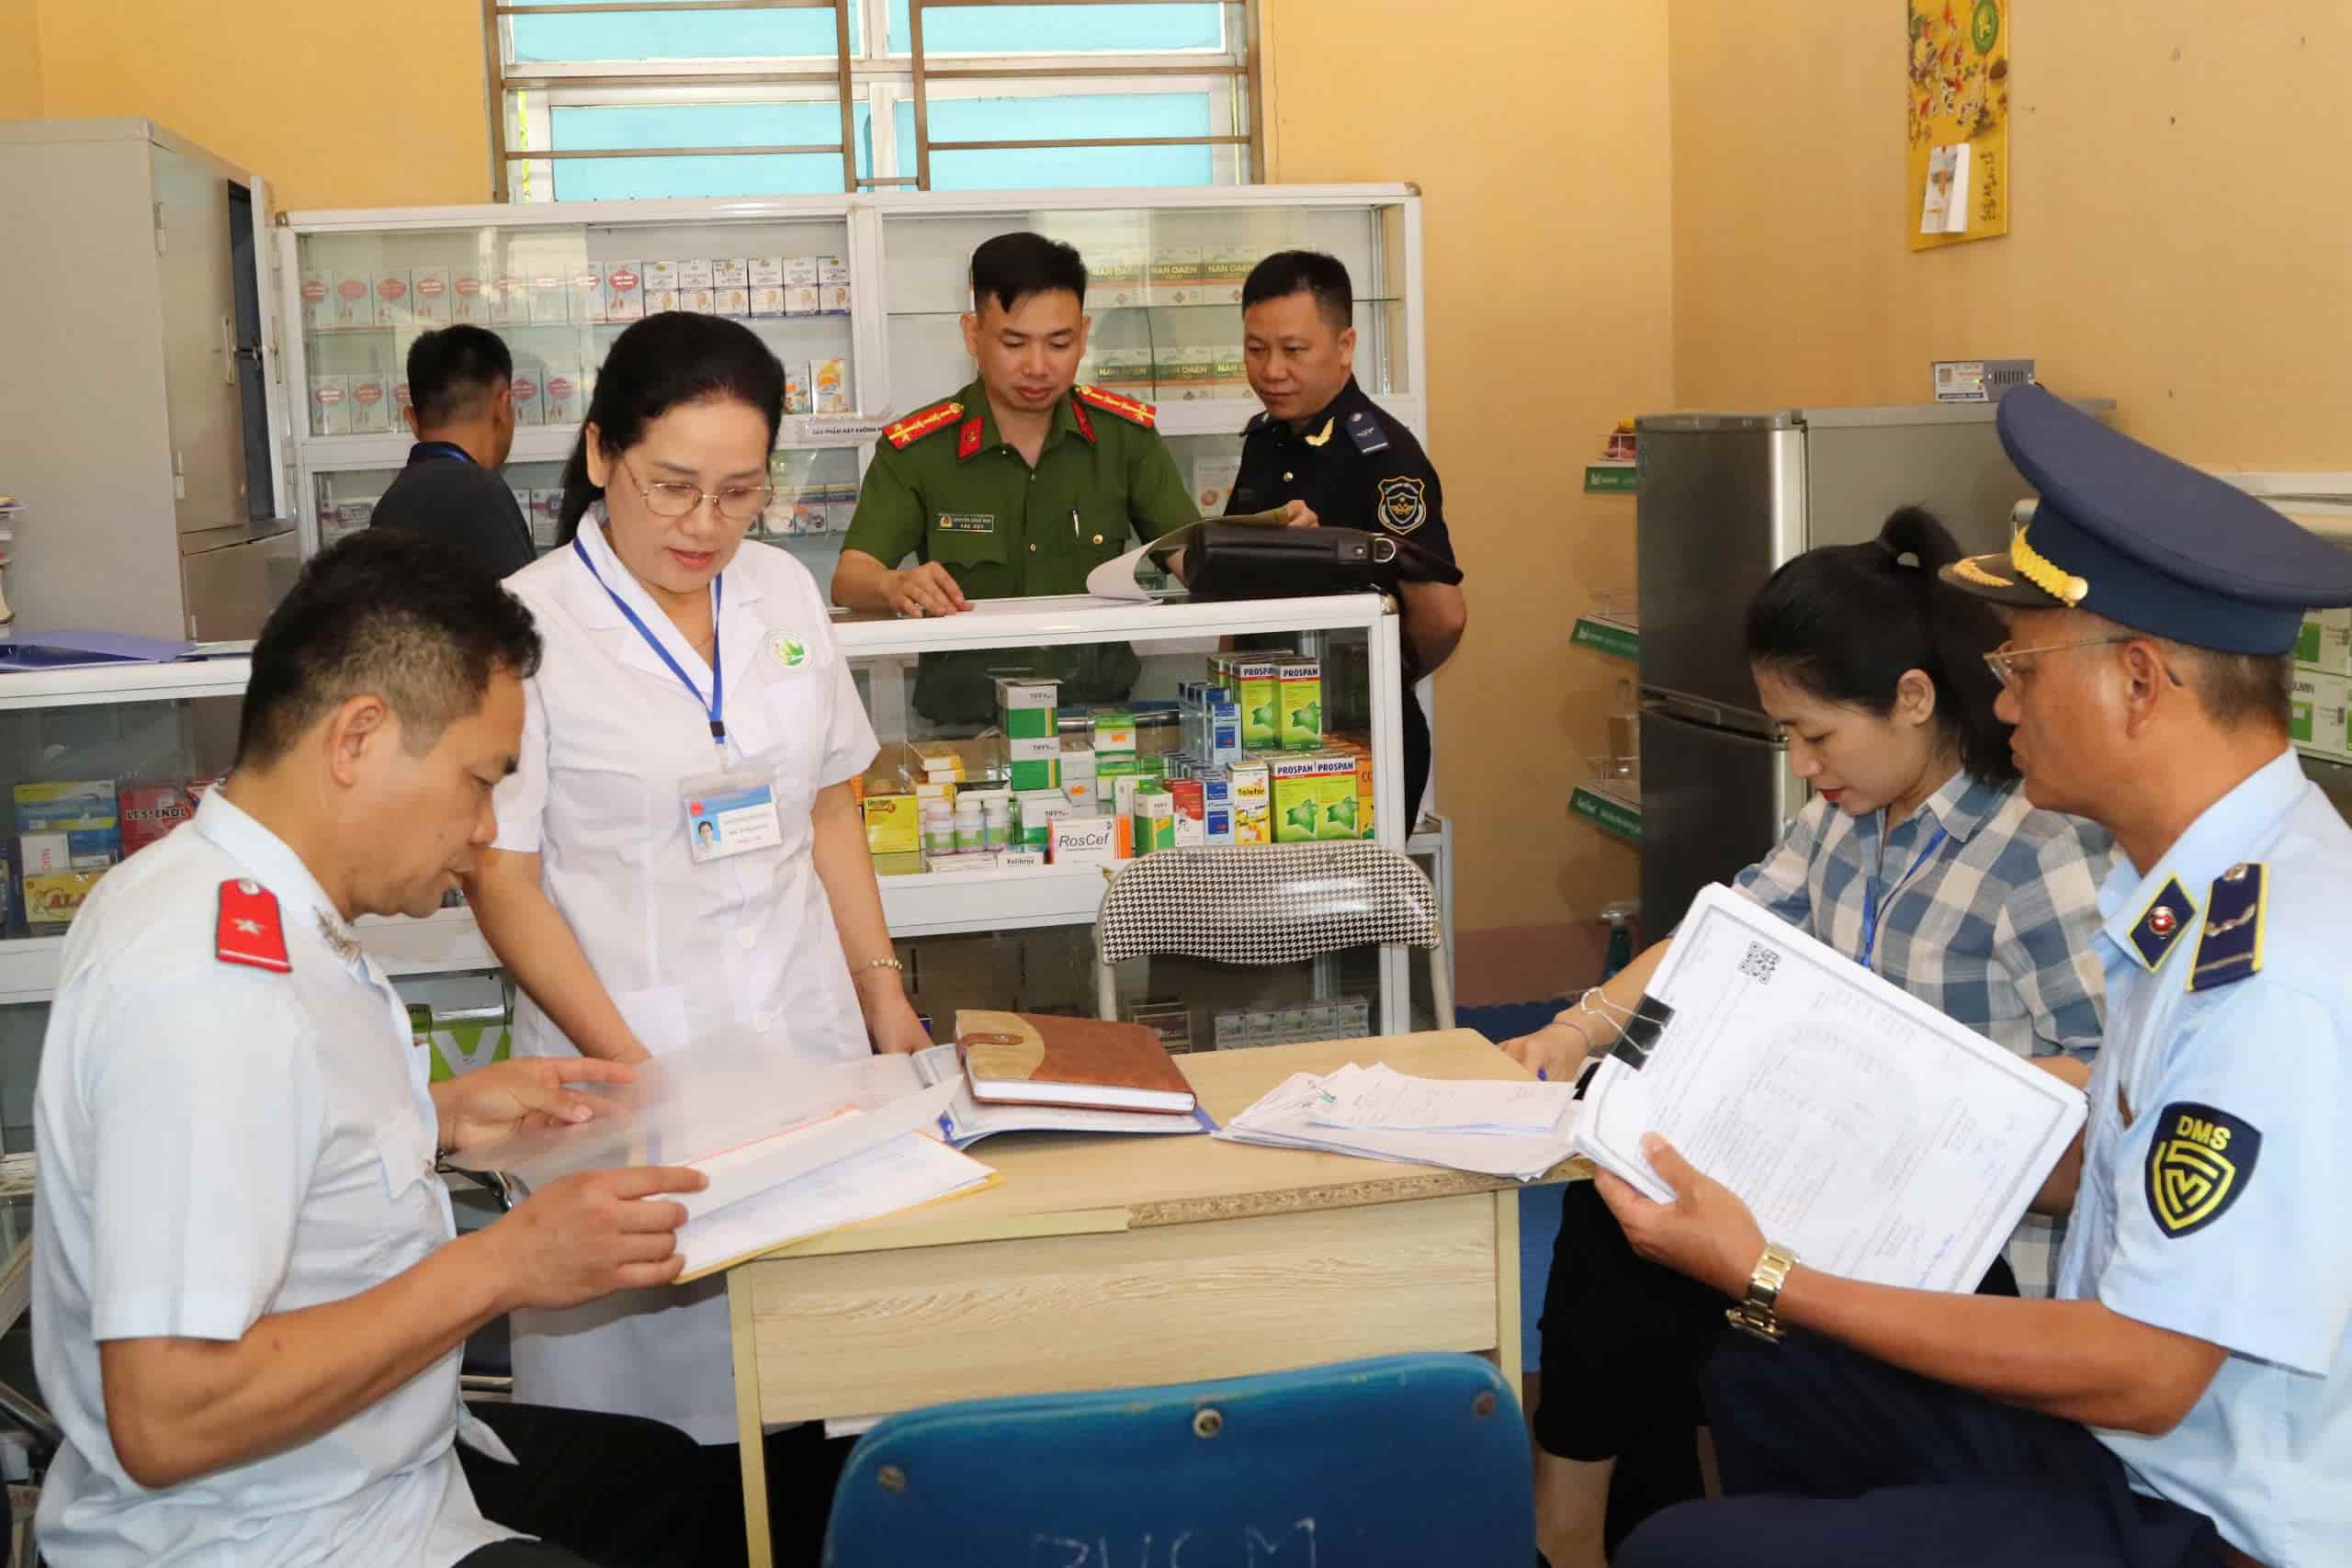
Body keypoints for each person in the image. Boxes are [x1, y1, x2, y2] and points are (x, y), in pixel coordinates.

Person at [1605, 385, 2352, 1568]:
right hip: (2141, 1449)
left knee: (1681, 1545)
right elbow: (2112, 1162)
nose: (1997, 706)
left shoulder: (2268, 975)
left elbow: (2146, 1373)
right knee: (1769, 1378)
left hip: (2203, 1517)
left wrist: (1768, 1271)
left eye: (2023, 669)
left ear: (2139, 681)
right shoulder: (2217, 887)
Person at [30, 530, 722, 1567]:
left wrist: (431, 1119)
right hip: (270, 1537)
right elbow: (168, 1416)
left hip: (376, 1467)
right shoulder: (206, 988)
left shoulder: (247, 902)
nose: (487, 829)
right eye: (478, 780)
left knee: (673, 1489)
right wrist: (506, 1266)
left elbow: (267, 1133)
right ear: (357, 737)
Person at [1502, 504, 2114, 1568]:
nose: (1799, 764)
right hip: (1821, 1171)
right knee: (1623, 1206)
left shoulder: (2037, 849)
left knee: (1673, 1285)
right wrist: (1574, 1032)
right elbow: (1720, 933)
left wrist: (1911, 1103)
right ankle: (1583, 1538)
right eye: (1786, 734)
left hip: (1955, 1244)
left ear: (1914, 701)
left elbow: (2106, 1081)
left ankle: (1623, 1537)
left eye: (1813, 733)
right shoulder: (1844, 812)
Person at [462, 311, 925, 1559]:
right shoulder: (527, 623)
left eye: (739, 491)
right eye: (674, 485)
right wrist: (639, 1070)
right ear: (604, 452)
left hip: (806, 1043)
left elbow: (828, 798)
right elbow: (504, 878)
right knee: (655, 1455)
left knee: (823, 1408)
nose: (705, 524)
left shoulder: (777, 589)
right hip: (622, 1070)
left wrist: (883, 994)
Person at [829, 231, 1203, 727]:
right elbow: (850, 577)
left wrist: (1274, 552)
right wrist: (894, 584)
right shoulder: (920, 449)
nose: (1037, 367)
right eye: (1013, 343)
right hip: (965, 733)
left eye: (1059, 343)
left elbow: (1191, 557)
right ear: (972, 334)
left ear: (1084, 335)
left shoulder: (1123, 438)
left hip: (1098, 726)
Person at [1227, 250, 1467, 830]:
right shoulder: (1265, 442)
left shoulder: (1382, 456)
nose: (1272, 369)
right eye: (1256, 350)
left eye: (1293, 350)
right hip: (1268, 734)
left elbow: (1443, 615)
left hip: (1360, 743)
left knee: (1346, 920)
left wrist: (1371, 680)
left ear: (1345, 345)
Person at [371, 325, 537, 580]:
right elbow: (522, 611)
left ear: (412, 420)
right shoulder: (484, 494)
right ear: (503, 407)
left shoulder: (389, 505)